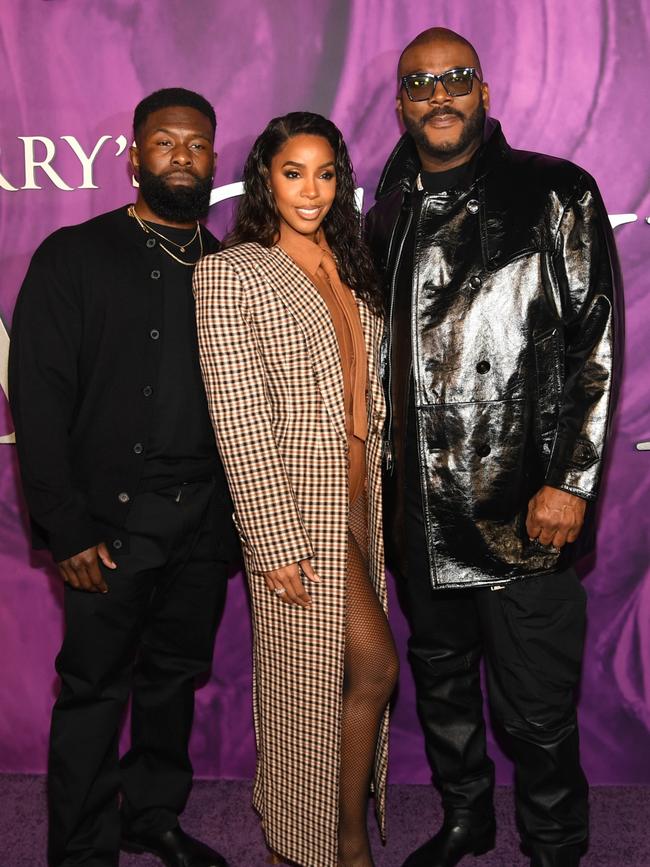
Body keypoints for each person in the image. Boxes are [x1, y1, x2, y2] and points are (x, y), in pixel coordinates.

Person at [365, 28, 622, 867]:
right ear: (402, 103)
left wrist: (571, 482)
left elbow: (595, 344)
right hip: (419, 513)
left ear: (483, 90)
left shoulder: (556, 191)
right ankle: (466, 818)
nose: (439, 94)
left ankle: (554, 846)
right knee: (440, 684)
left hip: (521, 506)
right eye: (421, 82)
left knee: (536, 708)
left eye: (456, 78)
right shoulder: (390, 202)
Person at [9, 88, 238, 867]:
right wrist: (66, 527)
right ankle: (80, 848)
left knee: (173, 683)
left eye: (197, 144)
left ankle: (153, 815)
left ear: (215, 159)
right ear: (134, 157)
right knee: (93, 690)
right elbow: (37, 401)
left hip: (203, 524)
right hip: (109, 525)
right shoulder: (74, 256)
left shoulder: (228, 268)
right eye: (165, 143)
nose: (182, 155)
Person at [194, 111, 398, 867]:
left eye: (325, 172)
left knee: (329, 685)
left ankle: (317, 838)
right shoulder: (232, 271)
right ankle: (330, 841)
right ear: (264, 179)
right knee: (336, 680)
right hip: (296, 512)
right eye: (292, 172)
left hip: (358, 500)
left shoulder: (352, 261)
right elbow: (238, 418)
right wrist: (272, 539)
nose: (310, 189)